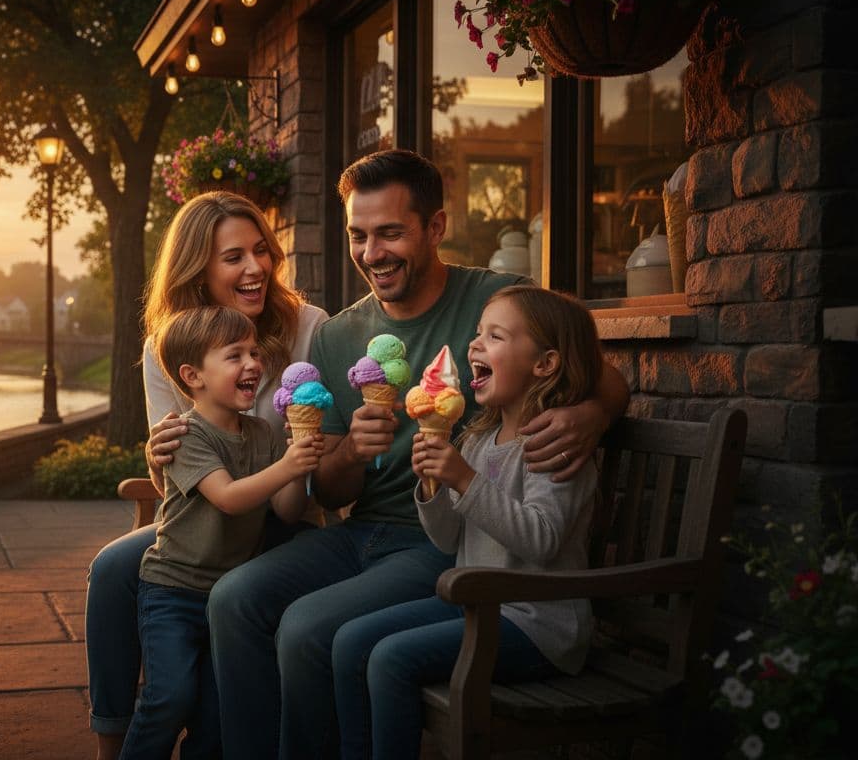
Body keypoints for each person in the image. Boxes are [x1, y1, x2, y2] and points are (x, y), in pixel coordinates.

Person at [206, 149, 630, 759]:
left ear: (435, 228)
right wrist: (350, 450)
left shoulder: (495, 303)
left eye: (390, 233)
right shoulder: (338, 334)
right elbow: (329, 493)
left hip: (440, 543)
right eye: (358, 235)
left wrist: (591, 414)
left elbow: (600, 374)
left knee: (307, 630)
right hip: (362, 531)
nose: (371, 253)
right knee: (234, 600)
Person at [85, 191, 329, 760]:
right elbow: (175, 453)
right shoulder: (166, 347)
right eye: (233, 257)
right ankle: (115, 739)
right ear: (199, 269)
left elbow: (303, 482)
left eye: (261, 251)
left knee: (207, 684)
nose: (255, 267)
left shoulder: (308, 327)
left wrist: (304, 456)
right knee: (113, 568)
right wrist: (156, 454)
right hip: (210, 518)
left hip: (279, 521)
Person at [331, 285, 602, 759]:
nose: (475, 345)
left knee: (391, 660)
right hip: (480, 609)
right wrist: (433, 486)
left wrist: (464, 478)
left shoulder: (552, 445)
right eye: (477, 334)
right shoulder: (479, 438)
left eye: (494, 336)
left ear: (545, 363)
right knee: (350, 641)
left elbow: (542, 540)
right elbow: (447, 538)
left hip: (538, 625)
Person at [121, 305, 323, 760]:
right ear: (194, 376)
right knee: (168, 699)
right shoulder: (185, 435)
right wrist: (286, 467)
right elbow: (229, 497)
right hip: (171, 592)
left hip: (223, 601)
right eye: (235, 356)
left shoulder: (263, 435)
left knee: (214, 716)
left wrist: (298, 465)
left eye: (254, 352)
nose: (253, 363)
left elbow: (287, 512)